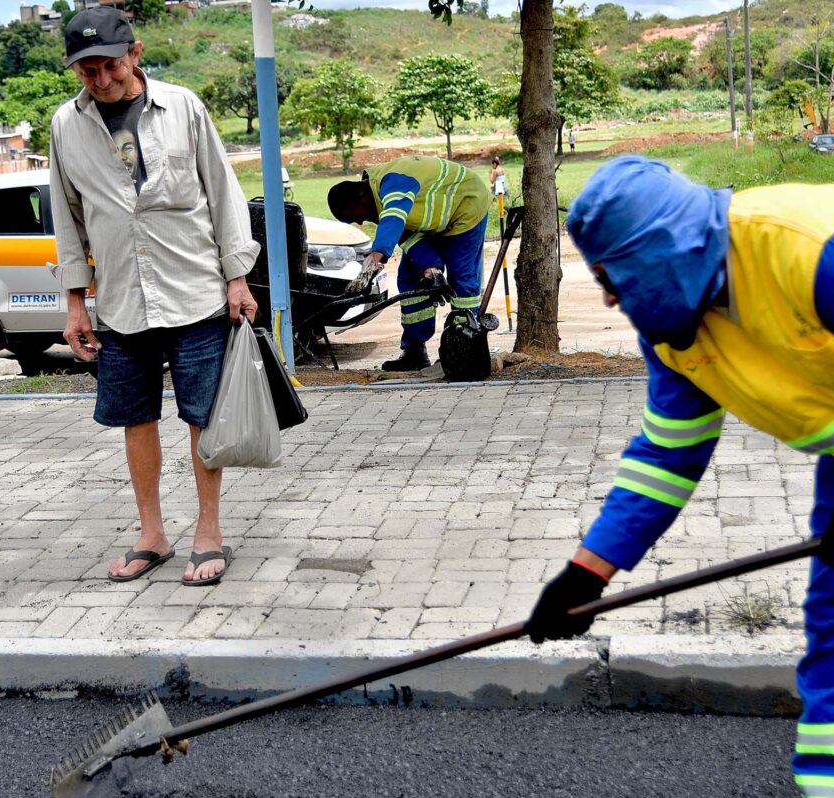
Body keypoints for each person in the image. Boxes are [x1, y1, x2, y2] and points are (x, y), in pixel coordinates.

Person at [526, 155, 834, 797]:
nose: (609, 298)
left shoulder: (809, 253)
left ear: (656, 252)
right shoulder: (675, 332)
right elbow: (669, 455)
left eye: (610, 277)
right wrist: (587, 573)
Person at [48, 7, 260, 587]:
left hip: (193, 291)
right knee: (135, 419)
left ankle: (208, 533)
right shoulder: (66, 124)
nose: (100, 79)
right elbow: (68, 218)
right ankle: (152, 535)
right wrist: (74, 303)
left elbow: (223, 191)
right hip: (118, 299)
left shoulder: (183, 107)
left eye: (109, 65)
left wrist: (237, 278)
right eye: (86, 71)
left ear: (135, 54)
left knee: (201, 419)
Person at [327, 156, 491, 371]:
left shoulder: (394, 183)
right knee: (411, 278)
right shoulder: (375, 200)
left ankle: (462, 347)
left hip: (467, 205)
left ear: (360, 195)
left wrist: (373, 260)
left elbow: (394, 218)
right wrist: (430, 267)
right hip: (434, 222)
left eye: (355, 216)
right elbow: (408, 237)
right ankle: (414, 351)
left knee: (462, 278)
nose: (360, 221)